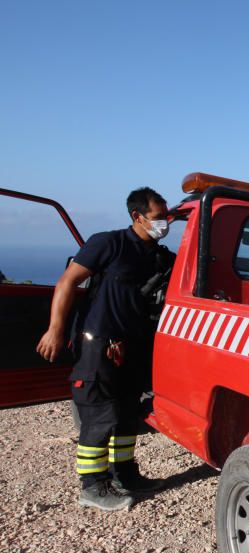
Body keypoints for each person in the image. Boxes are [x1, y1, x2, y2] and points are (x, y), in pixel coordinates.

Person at [37, 187, 175, 511]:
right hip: (99, 341)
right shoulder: (108, 243)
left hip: (134, 344)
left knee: (127, 412)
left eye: (167, 217)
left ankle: (125, 474)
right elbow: (67, 282)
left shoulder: (159, 256)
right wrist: (55, 329)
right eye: (158, 217)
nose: (165, 223)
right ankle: (92, 485)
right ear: (137, 217)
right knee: (100, 413)